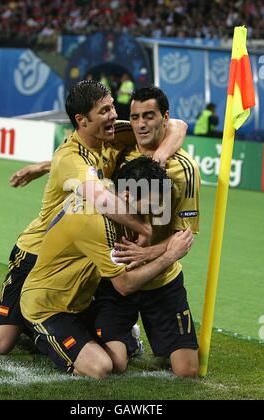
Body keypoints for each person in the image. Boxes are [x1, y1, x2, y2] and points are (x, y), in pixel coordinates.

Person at [0, 81, 187, 355]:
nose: (114, 114)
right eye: (105, 110)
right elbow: (99, 197)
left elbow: (178, 125)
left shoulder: (110, 134)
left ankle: (80, 329)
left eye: (113, 106)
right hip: (38, 252)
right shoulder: (71, 157)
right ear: (82, 120)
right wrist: (143, 228)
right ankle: (9, 314)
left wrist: (159, 159)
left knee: (83, 302)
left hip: (82, 249)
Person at [20, 157, 194, 378]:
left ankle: (113, 339)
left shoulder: (110, 193)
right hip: (48, 307)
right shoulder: (93, 222)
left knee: (117, 361)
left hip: (80, 304)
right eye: (151, 205)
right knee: (100, 367)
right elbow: (124, 285)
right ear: (129, 196)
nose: (153, 214)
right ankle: (33, 331)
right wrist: (170, 255)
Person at [93, 86, 200, 378]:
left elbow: (184, 237)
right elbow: (80, 157)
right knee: (114, 364)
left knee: (187, 370)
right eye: (136, 116)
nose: (141, 124)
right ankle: (129, 338)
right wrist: (42, 167)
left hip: (163, 280)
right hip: (118, 275)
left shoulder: (185, 169)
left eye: (149, 116)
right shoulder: (118, 148)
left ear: (165, 117)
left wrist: (148, 252)